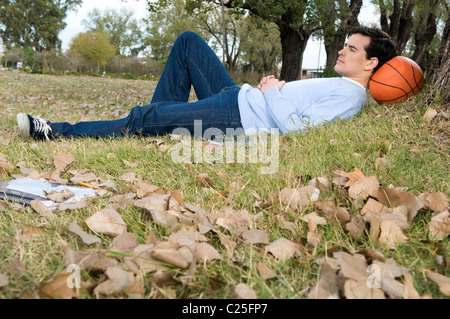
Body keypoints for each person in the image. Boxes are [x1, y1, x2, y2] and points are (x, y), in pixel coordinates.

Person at [17, 26, 398, 141]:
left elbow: (297, 130)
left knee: (149, 116)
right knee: (188, 44)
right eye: (345, 45)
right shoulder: (342, 83)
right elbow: (295, 109)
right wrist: (275, 88)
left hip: (237, 115)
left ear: (372, 62)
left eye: (352, 48)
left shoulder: (351, 95)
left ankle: (58, 131)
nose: (343, 51)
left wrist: (270, 93)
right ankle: (157, 124)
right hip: (240, 97)